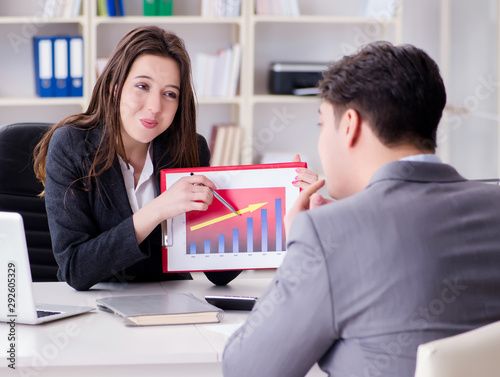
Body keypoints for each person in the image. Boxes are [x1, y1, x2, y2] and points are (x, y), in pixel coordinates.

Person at [222, 41, 500, 377]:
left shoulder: (324, 233)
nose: (321, 142)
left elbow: (247, 370)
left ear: (350, 125)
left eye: (322, 125)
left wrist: (303, 252)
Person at [34, 26, 318, 291]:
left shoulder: (189, 149)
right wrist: (158, 210)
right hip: (96, 309)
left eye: (169, 94)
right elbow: (75, 268)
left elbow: (218, 273)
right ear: (114, 87)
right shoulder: (71, 145)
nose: (155, 107)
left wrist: (285, 212)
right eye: (142, 87)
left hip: (171, 305)